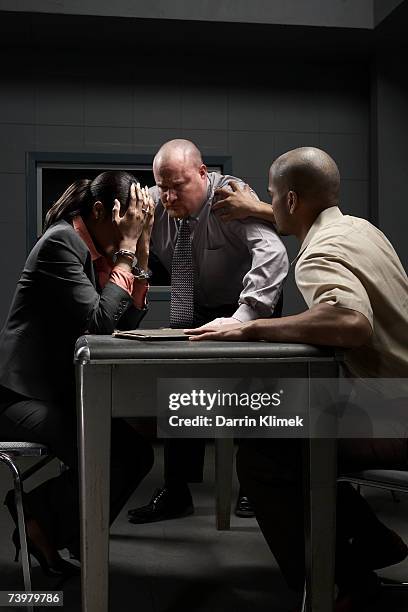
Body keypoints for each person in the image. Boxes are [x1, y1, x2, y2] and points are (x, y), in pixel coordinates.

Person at [188, 147, 408, 610]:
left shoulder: (315, 257)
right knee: (291, 431)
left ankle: (345, 580)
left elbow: (352, 321)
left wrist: (249, 326)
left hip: (391, 414)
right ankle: (370, 538)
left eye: (270, 196)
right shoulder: (361, 229)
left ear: (290, 200)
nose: (265, 204)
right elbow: (306, 212)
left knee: (261, 455)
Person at [127, 139, 289, 524]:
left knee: (253, 390)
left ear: (203, 173)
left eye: (177, 186)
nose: (167, 196)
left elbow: (274, 254)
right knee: (181, 388)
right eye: (161, 186)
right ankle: (176, 491)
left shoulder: (231, 198)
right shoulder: (155, 200)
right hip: (197, 304)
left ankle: (252, 485)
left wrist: (244, 316)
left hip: (249, 302)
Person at [0, 171, 154, 574]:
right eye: (127, 224)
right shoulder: (62, 242)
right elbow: (99, 323)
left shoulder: (93, 252)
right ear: (101, 210)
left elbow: (123, 326)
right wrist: (126, 253)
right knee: (106, 455)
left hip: (51, 393)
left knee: (135, 454)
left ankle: (44, 523)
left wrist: (141, 253)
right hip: (18, 397)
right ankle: (41, 521)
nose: (130, 233)